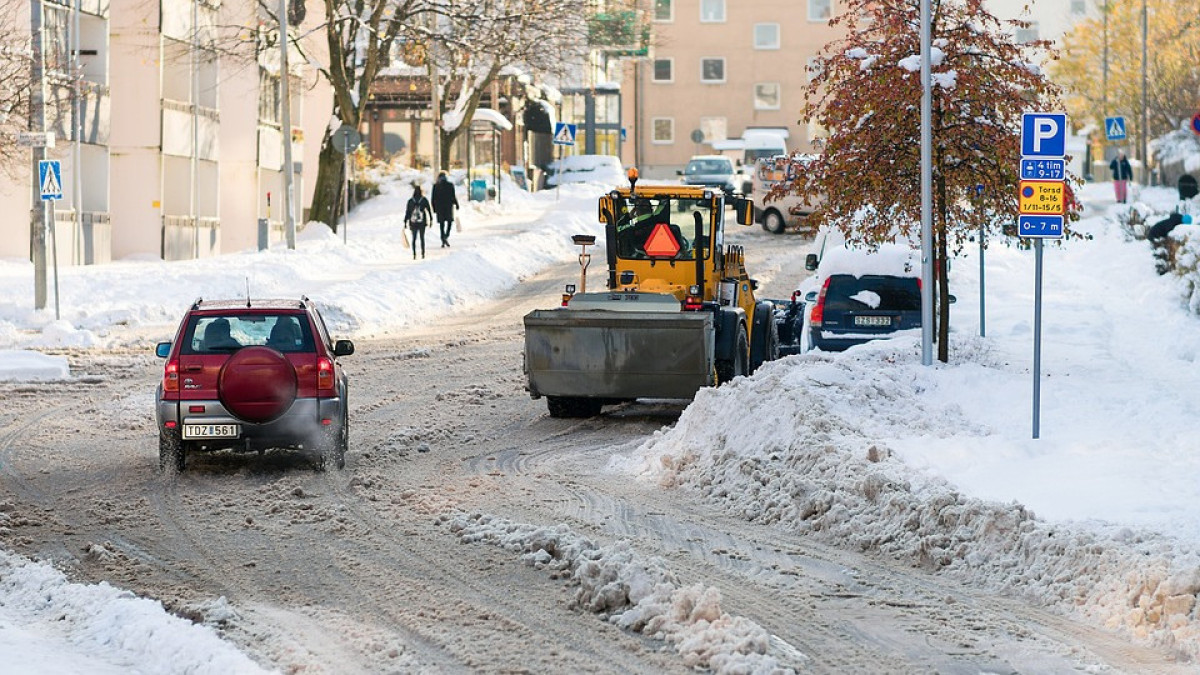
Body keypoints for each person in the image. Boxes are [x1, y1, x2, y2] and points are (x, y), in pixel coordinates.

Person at [431, 171, 459, 248]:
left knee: (442, 224)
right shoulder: (450, 185)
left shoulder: (436, 186)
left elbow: (433, 198)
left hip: (439, 208)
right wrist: (456, 204)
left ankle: (443, 238)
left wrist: (434, 208)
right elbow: (453, 196)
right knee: (450, 222)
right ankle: (446, 236)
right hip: (448, 207)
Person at [404, 185, 433, 259]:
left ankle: (414, 254)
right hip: (422, 222)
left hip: (413, 223)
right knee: (422, 238)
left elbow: (407, 212)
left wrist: (405, 221)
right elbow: (429, 210)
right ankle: (423, 253)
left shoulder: (410, 201)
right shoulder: (424, 200)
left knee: (414, 238)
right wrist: (431, 219)